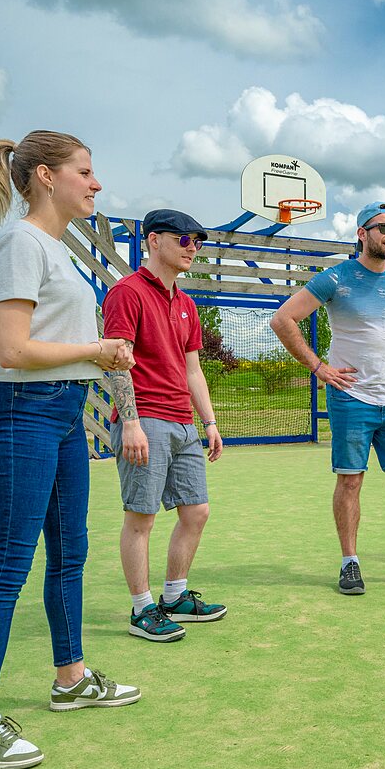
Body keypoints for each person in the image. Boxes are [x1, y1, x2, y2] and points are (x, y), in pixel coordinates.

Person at [0, 131, 140, 769]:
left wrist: (100, 354)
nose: (95, 183)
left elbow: (57, 340)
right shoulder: (18, 242)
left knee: (70, 553)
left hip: (64, 411)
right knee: (9, 562)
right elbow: (11, 350)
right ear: (44, 176)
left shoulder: (58, 250)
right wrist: (96, 349)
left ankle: (71, 677)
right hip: (20, 410)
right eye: (85, 172)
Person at [270, 202, 385, 595]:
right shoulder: (336, 278)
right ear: (362, 234)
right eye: (384, 228)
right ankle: (349, 563)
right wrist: (319, 367)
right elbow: (282, 319)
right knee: (351, 480)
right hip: (351, 398)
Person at [103, 209, 226, 643]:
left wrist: (208, 422)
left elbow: (193, 370)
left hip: (182, 422)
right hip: (145, 421)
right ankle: (141, 610)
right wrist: (131, 423)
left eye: (198, 240)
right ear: (154, 241)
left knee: (197, 511)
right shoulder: (127, 293)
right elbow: (115, 361)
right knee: (142, 518)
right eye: (185, 239)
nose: (193, 247)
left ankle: (174, 597)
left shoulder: (187, 304)